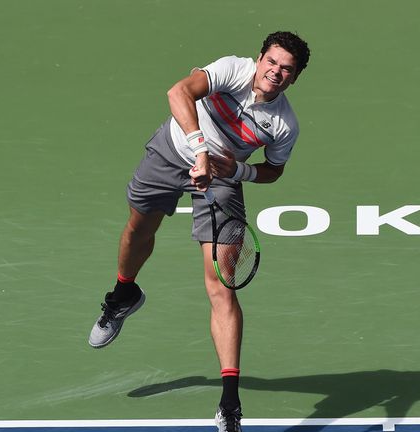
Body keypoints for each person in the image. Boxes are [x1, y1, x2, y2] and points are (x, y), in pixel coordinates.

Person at [88, 31, 311, 432]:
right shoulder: (231, 69)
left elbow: (273, 170)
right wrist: (202, 150)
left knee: (221, 285)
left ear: (294, 79)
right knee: (139, 229)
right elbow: (178, 92)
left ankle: (229, 401)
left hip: (221, 179)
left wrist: (235, 170)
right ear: (259, 59)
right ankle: (124, 293)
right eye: (272, 62)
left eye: (287, 70)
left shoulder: (284, 125)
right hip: (173, 149)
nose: (276, 73)